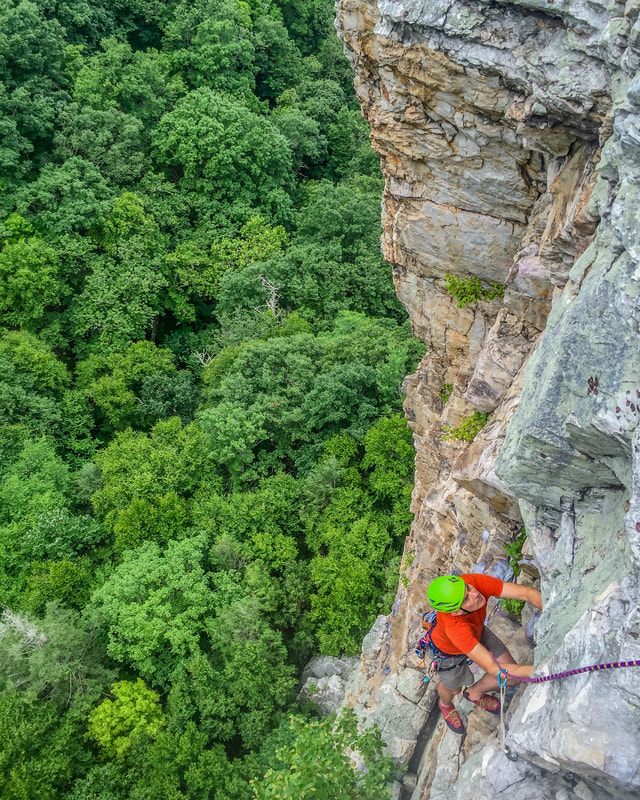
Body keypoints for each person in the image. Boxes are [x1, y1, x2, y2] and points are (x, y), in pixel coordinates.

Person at [426, 573, 543, 734]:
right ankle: (445, 704)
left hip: (476, 632)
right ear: (456, 612)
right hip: (448, 652)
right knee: (453, 690)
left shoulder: (473, 583)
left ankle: (474, 693)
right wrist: (540, 670)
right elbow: (493, 668)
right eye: (466, 599)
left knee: (512, 679)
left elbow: (526, 593)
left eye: (467, 588)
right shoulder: (455, 628)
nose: (475, 594)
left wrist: (556, 608)